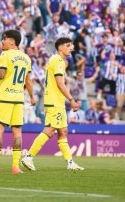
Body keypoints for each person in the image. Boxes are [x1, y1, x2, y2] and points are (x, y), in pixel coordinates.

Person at [21, 37, 84, 171]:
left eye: (71, 45)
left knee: (62, 131)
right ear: (60, 48)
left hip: (56, 101)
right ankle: (28, 156)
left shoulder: (56, 60)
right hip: (54, 101)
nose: (71, 48)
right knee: (49, 130)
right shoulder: (58, 61)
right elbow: (60, 83)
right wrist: (72, 100)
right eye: (68, 45)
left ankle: (70, 162)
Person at [0, 29, 36, 175]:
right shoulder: (26, 58)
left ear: (12, 41)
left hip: (5, 98)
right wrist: (32, 97)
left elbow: (1, 75)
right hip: (19, 99)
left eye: (4, 39)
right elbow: (28, 81)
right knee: (17, 133)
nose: (2, 42)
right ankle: (15, 167)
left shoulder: (5, 54)